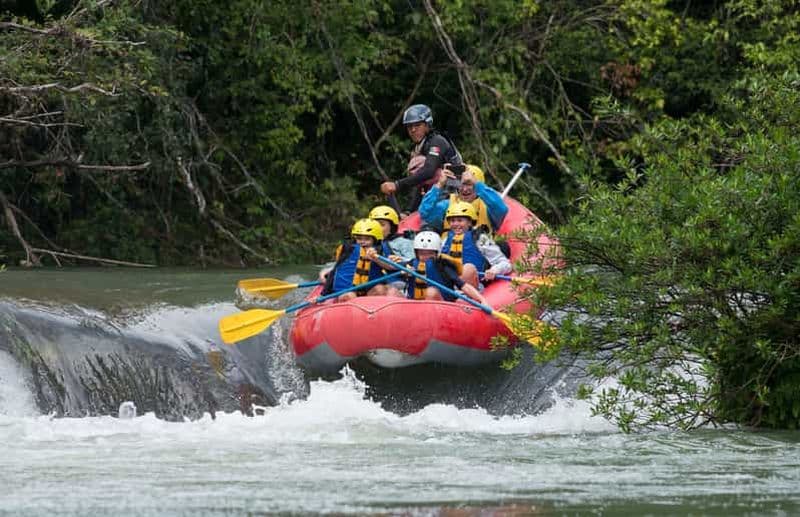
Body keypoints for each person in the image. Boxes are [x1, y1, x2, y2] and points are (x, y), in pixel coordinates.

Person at [380, 104, 463, 213]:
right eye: (409, 127)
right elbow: (419, 184)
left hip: (453, 196)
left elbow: (428, 171)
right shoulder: (417, 149)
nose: (413, 130)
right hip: (433, 196)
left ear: (427, 125)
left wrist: (397, 185)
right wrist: (409, 211)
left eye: (417, 125)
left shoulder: (437, 141)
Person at [379, 230, 486, 304]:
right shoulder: (410, 264)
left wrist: (482, 300)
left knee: (431, 292)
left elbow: (463, 286)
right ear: (416, 253)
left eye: (429, 253)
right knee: (391, 291)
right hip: (414, 306)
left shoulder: (443, 265)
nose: (425, 257)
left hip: (441, 305)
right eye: (422, 253)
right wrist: (375, 258)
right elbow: (389, 266)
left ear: (436, 253)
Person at [439, 201, 512, 288]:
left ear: (470, 222)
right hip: (450, 287)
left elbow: (505, 264)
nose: (455, 224)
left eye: (460, 220)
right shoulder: (445, 240)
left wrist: (494, 270)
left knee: (467, 269)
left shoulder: (480, 239)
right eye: (452, 221)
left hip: (474, 286)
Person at [419, 164, 508, 233]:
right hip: (449, 253)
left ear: (477, 184)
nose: (464, 189)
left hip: (478, 253)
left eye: (469, 184)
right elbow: (425, 213)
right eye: (462, 184)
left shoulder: (488, 207)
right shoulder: (447, 204)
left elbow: (501, 209)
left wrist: (477, 183)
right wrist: (439, 184)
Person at [319, 219, 389, 301]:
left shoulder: (380, 250)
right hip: (347, 290)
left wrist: (376, 259)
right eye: (359, 239)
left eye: (367, 239)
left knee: (380, 289)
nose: (362, 242)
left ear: (375, 239)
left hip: (368, 290)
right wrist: (323, 292)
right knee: (349, 296)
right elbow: (338, 268)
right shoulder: (348, 250)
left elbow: (390, 266)